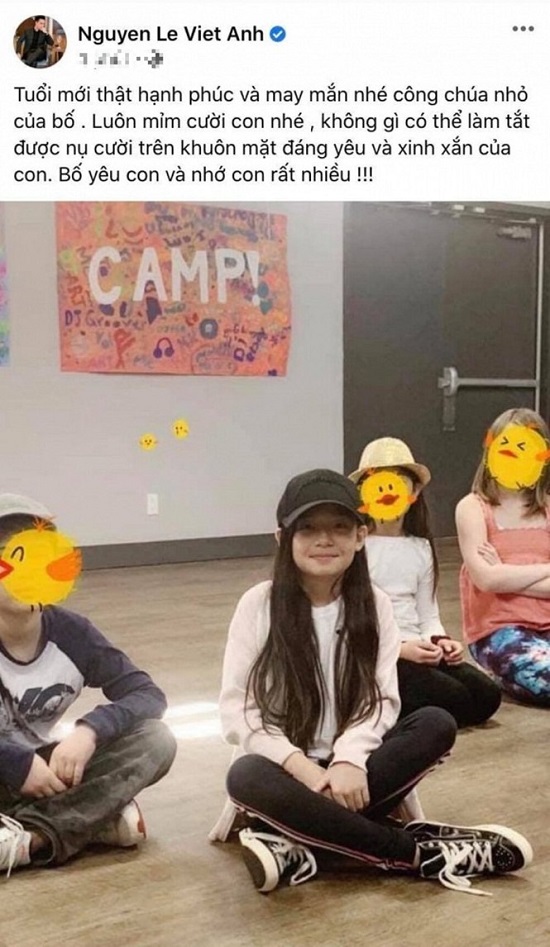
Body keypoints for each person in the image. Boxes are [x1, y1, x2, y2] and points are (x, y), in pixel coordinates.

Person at [219, 469, 531, 896]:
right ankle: (418, 854)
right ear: (282, 538)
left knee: (436, 722)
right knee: (245, 775)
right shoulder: (258, 605)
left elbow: (381, 699)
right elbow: (238, 710)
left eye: (339, 527)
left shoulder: (374, 605)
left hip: (360, 769)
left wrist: (349, 759)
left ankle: (295, 841)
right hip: (286, 770)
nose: (324, 540)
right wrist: (303, 769)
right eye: (307, 529)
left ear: (361, 536)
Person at [0, 493, 177, 876]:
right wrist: (15, 763)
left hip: (47, 774)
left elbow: (147, 695)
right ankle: (89, 821)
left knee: (156, 738)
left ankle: (31, 839)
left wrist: (89, 732)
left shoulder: (73, 633)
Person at [349, 438, 501, 728]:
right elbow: (352, 620)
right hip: (377, 653)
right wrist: (399, 649)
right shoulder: (356, 547)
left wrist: (441, 641)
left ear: (414, 491)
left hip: (419, 648)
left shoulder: (420, 548)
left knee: (487, 695)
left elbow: (428, 614)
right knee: (453, 697)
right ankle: (378, 702)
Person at [456, 407, 550, 704]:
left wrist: (505, 574)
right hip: (499, 630)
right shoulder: (473, 508)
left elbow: (497, 578)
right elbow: (486, 579)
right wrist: (546, 568)